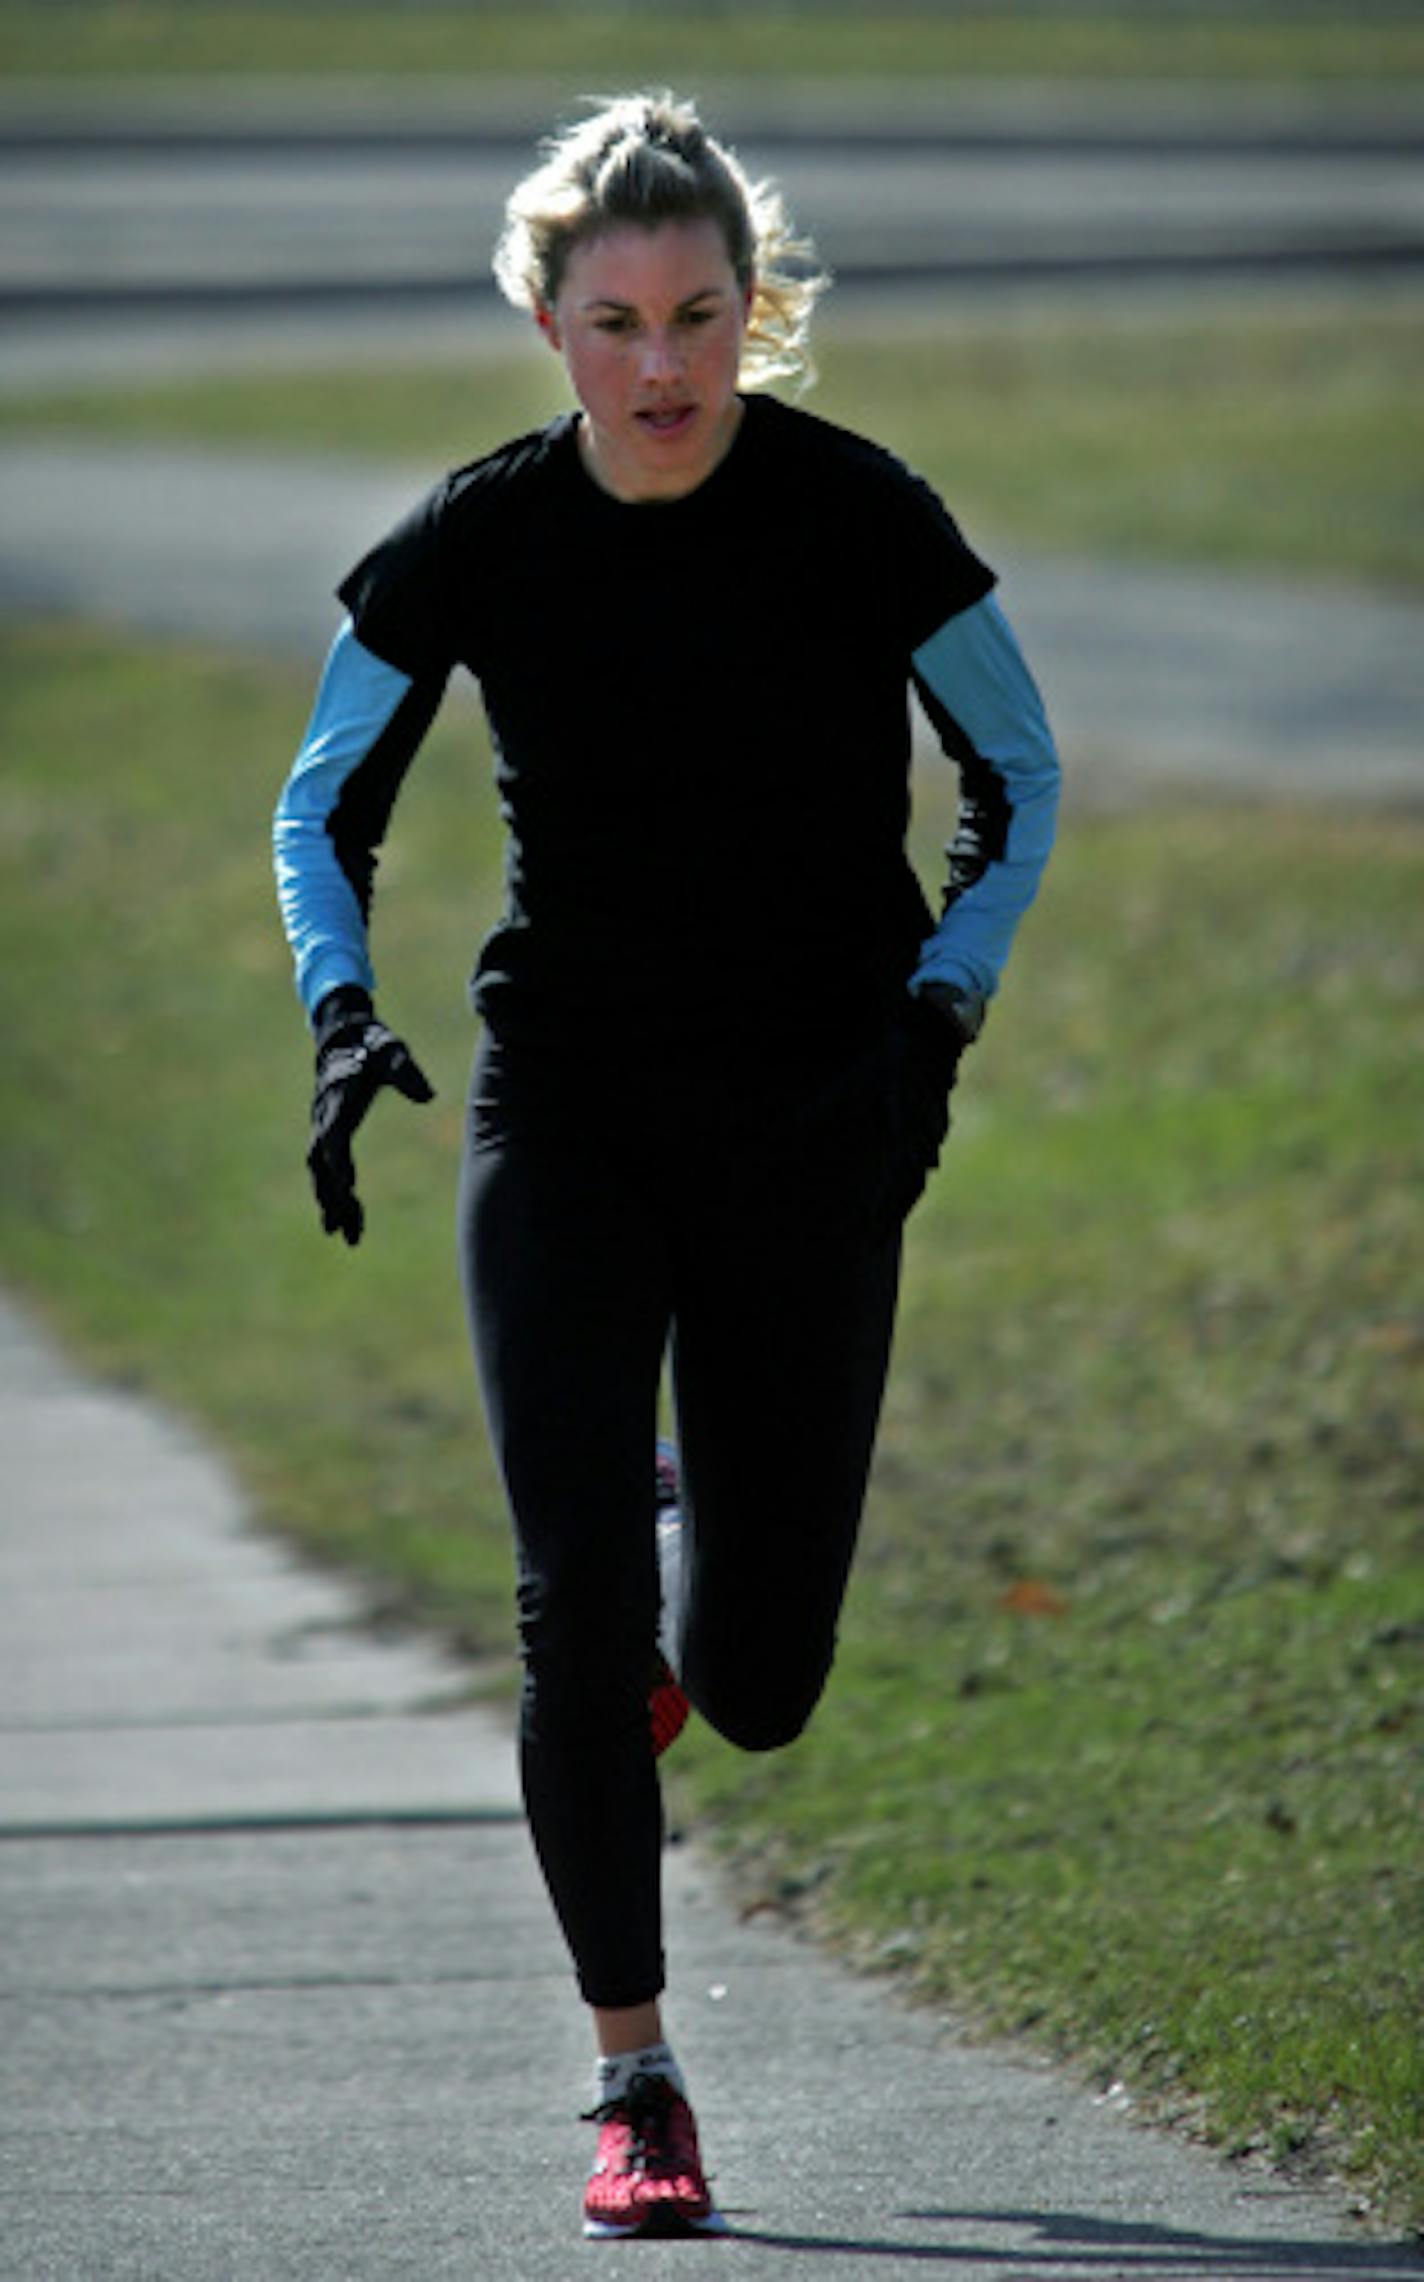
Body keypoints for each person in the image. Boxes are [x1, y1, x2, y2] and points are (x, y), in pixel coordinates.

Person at [273, 90, 1060, 2241]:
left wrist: (937, 1015)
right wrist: (344, 1011)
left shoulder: (861, 518)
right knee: (569, 1623)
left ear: (753, 311)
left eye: (700, 315)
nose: (661, 366)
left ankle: (680, 1509)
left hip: (816, 1117)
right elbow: (317, 803)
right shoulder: (478, 535)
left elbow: (1021, 770)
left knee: (759, 1684)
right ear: (547, 322)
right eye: (613, 319)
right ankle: (635, 2073)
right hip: (568, 1110)